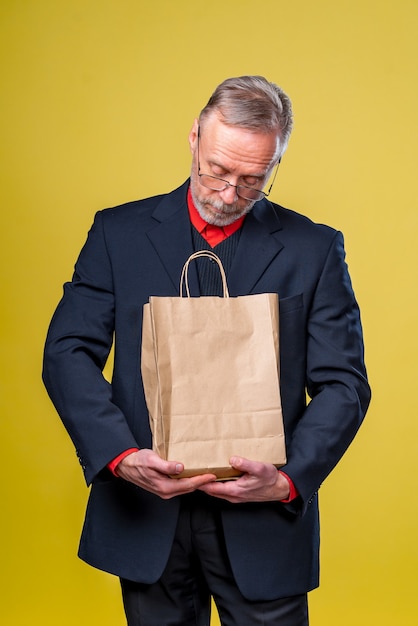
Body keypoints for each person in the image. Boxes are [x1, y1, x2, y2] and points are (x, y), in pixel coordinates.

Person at [43, 75, 371, 626]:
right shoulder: (116, 233)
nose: (227, 194)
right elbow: (68, 351)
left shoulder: (314, 248)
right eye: (217, 170)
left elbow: (344, 383)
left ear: (274, 169)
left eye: (251, 182)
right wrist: (122, 458)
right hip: (147, 515)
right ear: (194, 136)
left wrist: (288, 480)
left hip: (264, 524)